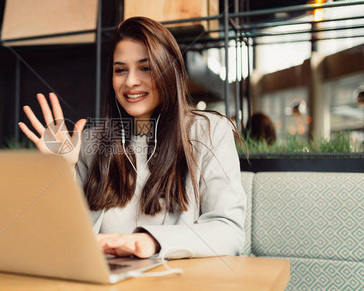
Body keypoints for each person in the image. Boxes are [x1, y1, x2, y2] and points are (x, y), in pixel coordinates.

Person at [19, 16, 246, 260]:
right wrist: (62, 171)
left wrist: (150, 241)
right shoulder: (91, 143)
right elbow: (66, 238)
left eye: (145, 67)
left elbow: (228, 231)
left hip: (179, 286)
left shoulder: (209, 132)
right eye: (120, 70)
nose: (130, 81)